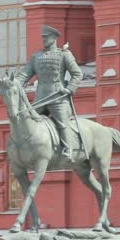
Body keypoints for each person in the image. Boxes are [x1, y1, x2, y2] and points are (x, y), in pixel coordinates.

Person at [15, 25, 83, 162]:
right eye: (43, 37)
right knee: (25, 120)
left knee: (62, 123)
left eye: (47, 37)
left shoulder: (64, 55)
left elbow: (77, 74)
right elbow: (24, 74)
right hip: (40, 97)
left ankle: (67, 149)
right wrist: (13, 83)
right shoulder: (36, 57)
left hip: (58, 97)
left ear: (54, 38)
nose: (44, 39)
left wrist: (69, 89)